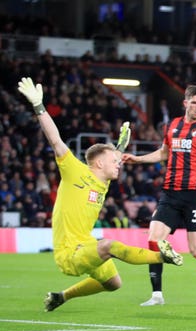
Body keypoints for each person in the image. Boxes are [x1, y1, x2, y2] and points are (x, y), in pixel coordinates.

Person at [16, 77, 183, 312]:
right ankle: (160, 257)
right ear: (98, 163)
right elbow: (55, 141)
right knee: (109, 246)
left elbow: (114, 158)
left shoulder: (102, 181)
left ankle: (60, 297)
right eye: (114, 161)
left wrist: (120, 147)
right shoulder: (75, 171)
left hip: (86, 244)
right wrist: (38, 106)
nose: (119, 164)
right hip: (69, 253)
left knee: (113, 283)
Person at [121, 84, 196, 306]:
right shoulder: (173, 125)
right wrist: (137, 158)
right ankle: (157, 295)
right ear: (185, 103)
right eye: (194, 103)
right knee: (154, 240)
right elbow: (164, 153)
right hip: (170, 193)